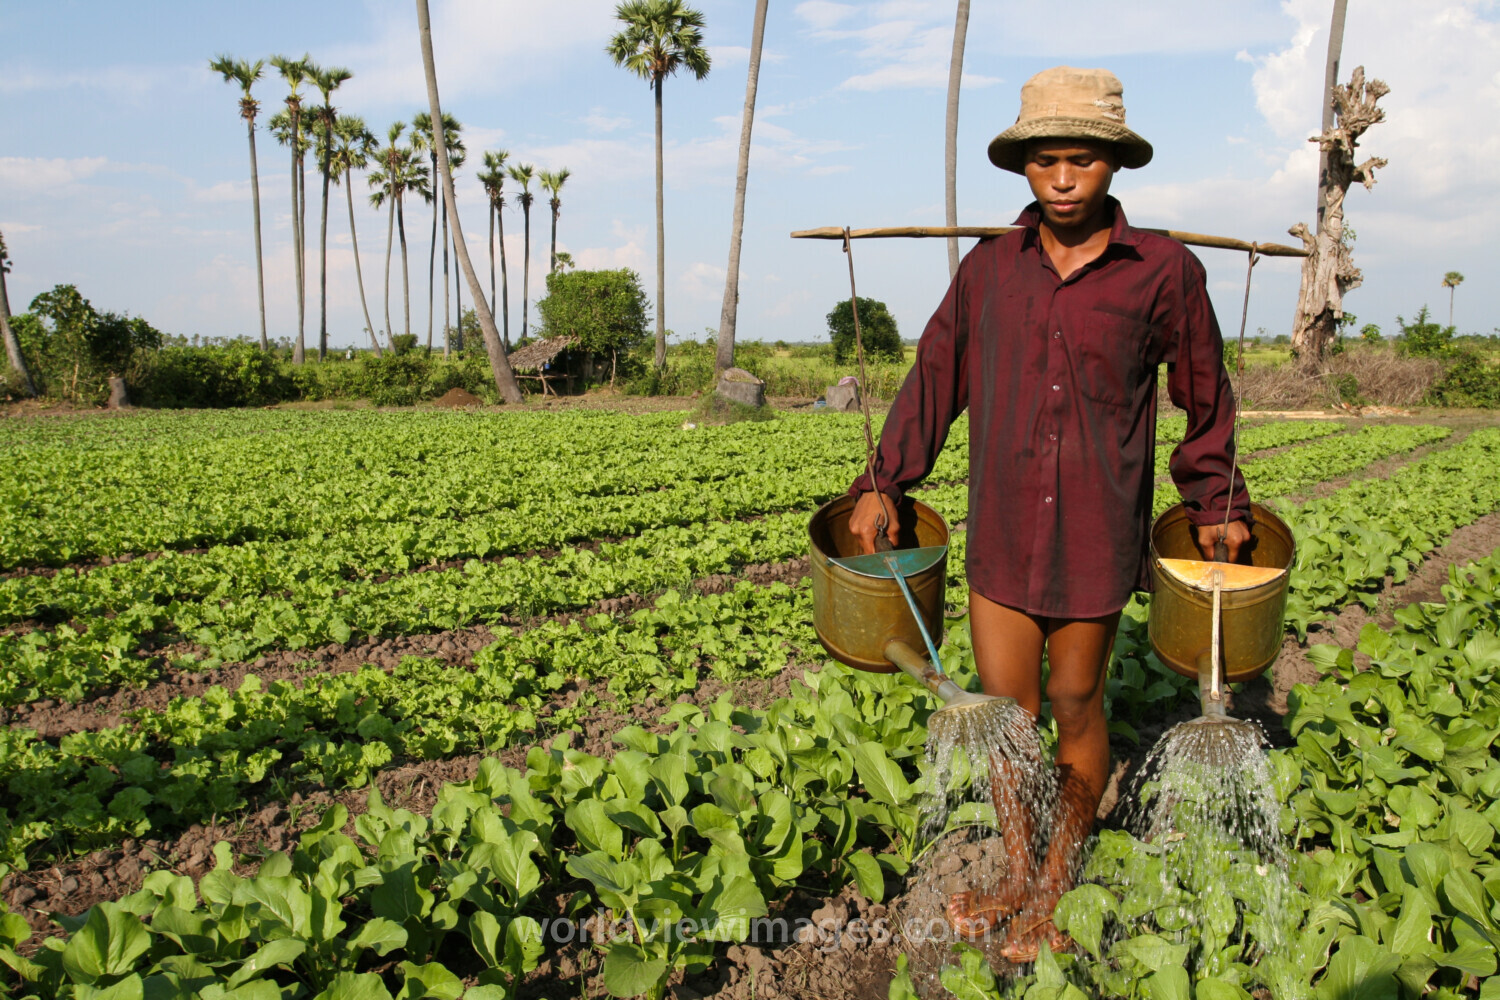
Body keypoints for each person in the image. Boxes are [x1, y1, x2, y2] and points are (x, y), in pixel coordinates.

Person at [847, 65, 1252, 962]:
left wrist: (1216, 498)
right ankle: (1022, 873)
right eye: (1045, 162)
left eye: (1080, 160)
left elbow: (1204, 395)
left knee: (1074, 701)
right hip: (1001, 528)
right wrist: (887, 478)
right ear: (1023, 167)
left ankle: (1055, 881)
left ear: (1112, 164)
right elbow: (935, 377)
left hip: (1096, 533)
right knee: (1005, 713)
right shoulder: (990, 269)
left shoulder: (1164, 274)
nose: (1063, 179)